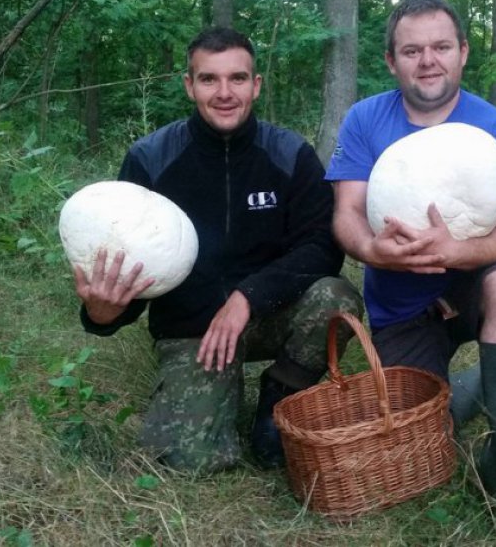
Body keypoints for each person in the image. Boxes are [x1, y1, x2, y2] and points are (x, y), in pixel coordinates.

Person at [72, 26, 362, 472]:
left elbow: (321, 246)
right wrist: (102, 315)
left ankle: (280, 395)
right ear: (190, 86)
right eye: (209, 79)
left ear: (256, 85)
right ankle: (207, 391)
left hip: (272, 311)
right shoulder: (151, 159)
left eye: (238, 79)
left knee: (336, 298)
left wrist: (248, 296)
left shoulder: (290, 154)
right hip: (194, 328)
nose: (225, 93)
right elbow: (131, 262)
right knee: (192, 461)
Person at [325, 0, 496, 523]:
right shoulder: (364, 120)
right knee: (416, 438)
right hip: (402, 304)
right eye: (412, 50)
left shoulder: (494, 127)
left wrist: (460, 252)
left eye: (441, 46)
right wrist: (373, 250)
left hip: (474, 286)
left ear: (463, 52)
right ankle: (475, 385)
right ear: (391, 61)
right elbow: (347, 214)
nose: (428, 60)